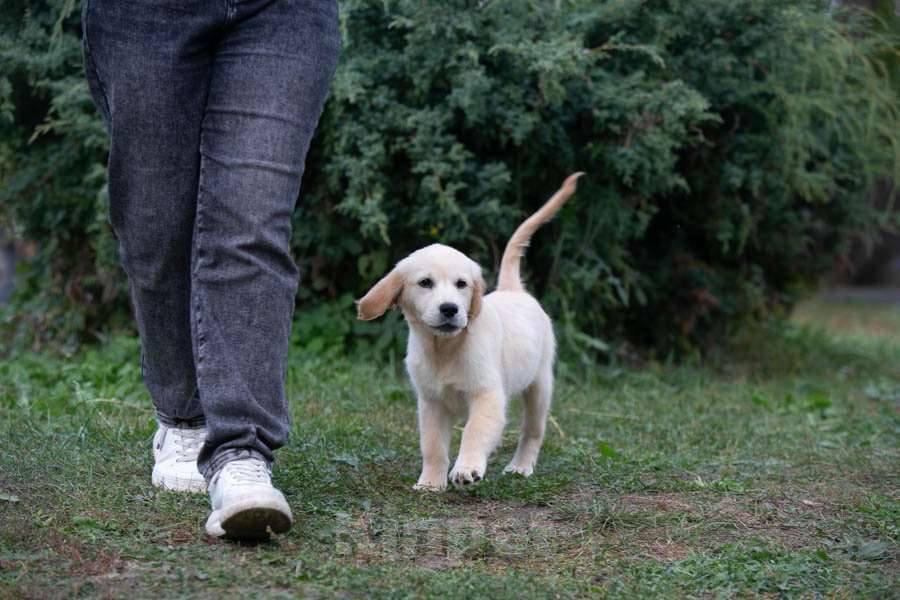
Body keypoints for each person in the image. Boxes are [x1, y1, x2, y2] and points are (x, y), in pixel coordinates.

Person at [80, 0, 341, 540]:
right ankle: (182, 417)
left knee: (250, 221)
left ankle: (241, 451)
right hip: (144, 17)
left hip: (283, 13)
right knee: (155, 226)